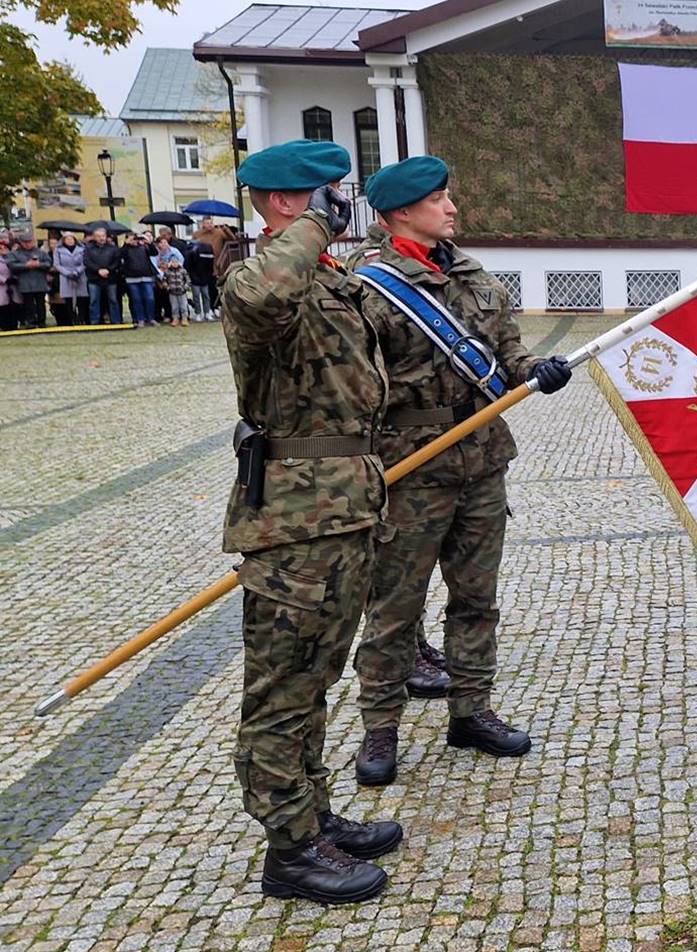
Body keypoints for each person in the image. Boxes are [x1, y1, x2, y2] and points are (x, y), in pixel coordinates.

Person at [348, 155, 571, 787]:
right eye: (439, 199)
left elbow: (509, 354)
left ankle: (471, 711)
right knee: (395, 605)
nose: (452, 207)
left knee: (476, 599)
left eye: (449, 197)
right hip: (411, 467)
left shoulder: (477, 279)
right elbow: (355, 384)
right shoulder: (367, 288)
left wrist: (536, 373)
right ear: (401, 213)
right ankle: (380, 729)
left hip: (482, 462)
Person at [224, 138, 398, 904]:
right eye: (329, 197)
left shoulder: (329, 284)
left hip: (346, 507)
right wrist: (309, 231)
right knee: (281, 690)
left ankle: (313, 815)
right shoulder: (255, 280)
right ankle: (289, 852)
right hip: (293, 524)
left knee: (316, 679)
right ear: (288, 203)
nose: (341, 210)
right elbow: (264, 299)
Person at [5, 234, 52, 329]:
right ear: (21, 243)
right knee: (28, 305)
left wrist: (39, 264)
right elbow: (11, 265)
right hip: (25, 283)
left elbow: (48, 263)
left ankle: (42, 322)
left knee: (40, 304)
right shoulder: (14, 254)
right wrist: (26, 265)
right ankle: (30, 322)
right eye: (25, 242)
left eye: (30, 242)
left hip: (40, 282)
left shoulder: (41, 252)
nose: (28, 244)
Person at [83, 227, 123, 324]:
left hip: (110, 278)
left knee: (113, 300)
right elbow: (87, 261)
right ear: (94, 237)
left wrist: (108, 270)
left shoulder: (113, 248)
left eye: (103, 236)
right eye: (99, 236)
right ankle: (94, 322)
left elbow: (117, 261)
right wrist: (98, 270)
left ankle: (116, 321)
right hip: (94, 279)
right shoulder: (88, 248)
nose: (101, 238)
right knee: (94, 301)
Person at [120, 230, 159, 327]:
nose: (134, 240)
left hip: (146, 276)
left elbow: (154, 253)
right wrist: (126, 244)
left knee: (150, 298)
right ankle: (140, 319)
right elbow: (120, 255)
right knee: (136, 299)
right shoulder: (126, 249)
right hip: (132, 278)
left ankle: (151, 318)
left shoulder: (144, 247)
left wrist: (149, 243)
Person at [154, 232, 189, 328]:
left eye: (166, 242)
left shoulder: (174, 252)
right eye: (162, 243)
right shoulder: (157, 253)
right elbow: (156, 267)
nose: (165, 245)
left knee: (183, 304)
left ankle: (184, 317)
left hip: (181, 288)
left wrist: (185, 287)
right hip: (169, 286)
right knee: (173, 305)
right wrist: (166, 285)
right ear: (158, 244)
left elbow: (187, 278)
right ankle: (174, 318)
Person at [53, 231, 87, 326]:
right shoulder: (58, 250)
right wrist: (67, 273)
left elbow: (85, 262)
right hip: (65, 276)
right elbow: (56, 264)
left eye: (71, 238)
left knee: (81, 299)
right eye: (67, 239)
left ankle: (82, 319)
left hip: (80, 275)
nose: (70, 240)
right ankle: (72, 319)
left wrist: (77, 272)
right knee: (68, 300)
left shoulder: (82, 249)